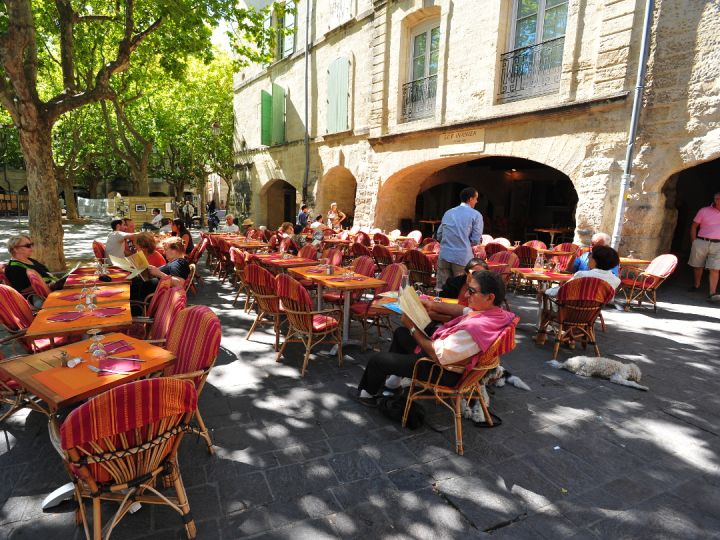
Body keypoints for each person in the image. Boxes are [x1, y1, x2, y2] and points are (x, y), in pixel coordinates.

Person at [350, 271, 516, 406]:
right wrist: (431, 304)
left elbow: (437, 354)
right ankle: (394, 384)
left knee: (378, 360)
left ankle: (367, 395)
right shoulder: (494, 314)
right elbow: (461, 310)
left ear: (490, 297)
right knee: (401, 333)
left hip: (444, 371)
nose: (466, 294)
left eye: (472, 291)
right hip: (452, 361)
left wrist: (413, 326)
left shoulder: (474, 330)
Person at [436, 187, 484, 290]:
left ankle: (439, 305)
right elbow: (475, 239)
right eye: (476, 198)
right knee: (460, 289)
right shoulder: (476, 215)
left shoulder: (448, 212)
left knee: (442, 288)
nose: (477, 201)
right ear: (470, 199)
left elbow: (439, 235)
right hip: (462, 257)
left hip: (444, 254)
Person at [545, 245, 621, 298]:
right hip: (591, 314)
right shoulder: (616, 280)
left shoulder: (582, 275)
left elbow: (561, 291)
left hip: (568, 311)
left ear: (596, 260)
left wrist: (546, 291)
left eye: (591, 255)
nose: (588, 257)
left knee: (545, 297)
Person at [689, 192, 720, 301]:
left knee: (715, 268)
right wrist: (694, 242)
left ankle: (712, 293)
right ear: (714, 199)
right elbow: (694, 226)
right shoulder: (704, 211)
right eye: (717, 199)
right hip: (701, 241)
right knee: (697, 266)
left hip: (719, 244)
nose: (718, 201)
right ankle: (697, 285)